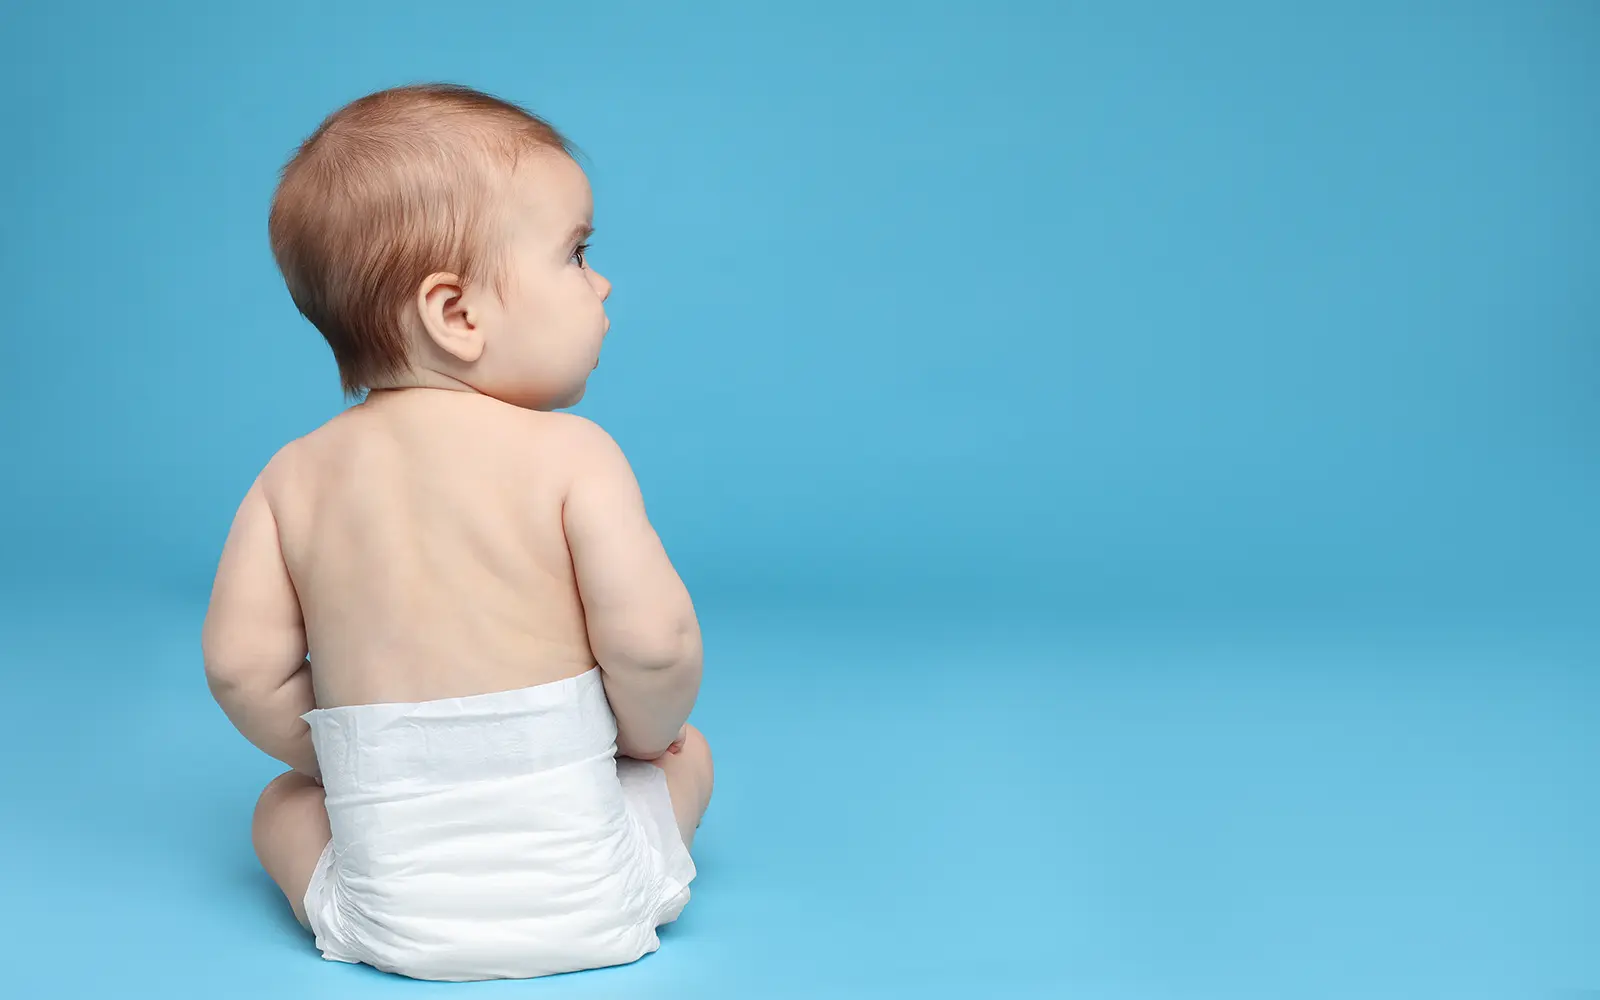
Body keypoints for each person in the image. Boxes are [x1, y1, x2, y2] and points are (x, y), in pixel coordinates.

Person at [200, 83, 712, 982]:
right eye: (578, 253)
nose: (603, 282)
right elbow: (656, 646)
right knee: (689, 757)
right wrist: (644, 741)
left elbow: (242, 669)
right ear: (457, 316)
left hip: (388, 914)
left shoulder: (291, 477)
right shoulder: (573, 456)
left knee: (279, 806)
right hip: (597, 895)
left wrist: (349, 764)